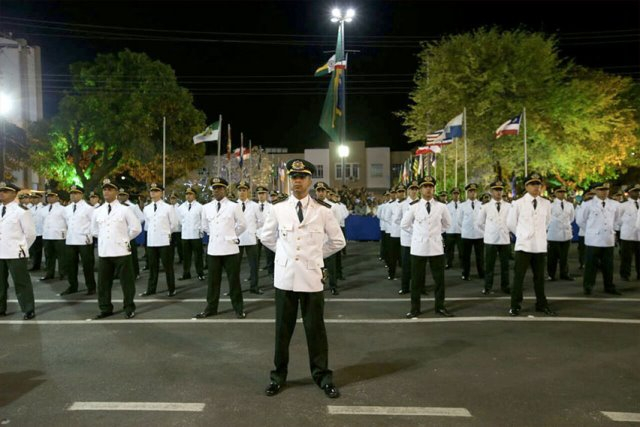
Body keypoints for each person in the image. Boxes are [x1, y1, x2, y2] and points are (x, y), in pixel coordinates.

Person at [260, 159, 345, 399]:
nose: (297, 181)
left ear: (310, 181)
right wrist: (285, 255)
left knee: (315, 331)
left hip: (311, 277)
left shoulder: (323, 210)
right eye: (294, 177)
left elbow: (338, 241)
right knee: (282, 331)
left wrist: (316, 255)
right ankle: (278, 377)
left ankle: (323, 377)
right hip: (285, 278)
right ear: (289, 180)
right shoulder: (277, 208)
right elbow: (266, 237)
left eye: (302, 177)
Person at [194, 177, 247, 319]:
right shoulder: (206, 207)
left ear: (225, 189)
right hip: (214, 249)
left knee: (234, 281)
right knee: (212, 281)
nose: (216, 191)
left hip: (230, 248)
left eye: (220, 188)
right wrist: (216, 235)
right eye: (214, 188)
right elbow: (205, 226)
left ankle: (238, 308)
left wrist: (230, 235)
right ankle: (211, 308)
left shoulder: (234, 206)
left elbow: (242, 225)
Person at [401, 176, 453, 318]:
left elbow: (447, 224)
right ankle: (415, 308)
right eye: (425, 186)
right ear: (420, 189)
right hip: (419, 247)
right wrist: (418, 233)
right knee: (416, 280)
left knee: (439, 280)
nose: (428, 189)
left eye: (430, 186)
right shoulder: (414, 206)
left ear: (433, 188)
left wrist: (436, 233)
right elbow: (404, 224)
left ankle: (440, 307)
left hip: (436, 247)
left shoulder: (441, 206)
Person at [90, 179, 142, 319]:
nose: (106, 191)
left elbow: (136, 228)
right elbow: (94, 230)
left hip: (121, 251)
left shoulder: (125, 210)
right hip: (105, 251)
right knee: (103, 284)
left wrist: (125, 239)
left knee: (127, 282)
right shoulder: (98, 211)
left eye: (110, 189)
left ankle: (129, 307)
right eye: (105, 189)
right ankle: (105, 308)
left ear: (116, 192)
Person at [506, 173, 556, 316]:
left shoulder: (546, 203)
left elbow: (547, 221)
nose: (536, 187)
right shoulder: (518, 203)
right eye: (533, 184)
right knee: (519, 277)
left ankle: (541, 304)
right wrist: (522, 234)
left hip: (539, 245)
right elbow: (511, 223)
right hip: (524, 245)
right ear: (526, 186)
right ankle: (515, 305)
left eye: (538, 184)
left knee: (539, 278)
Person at [0, 181, 37, 319]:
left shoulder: (21, 211)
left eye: (5, 191)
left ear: (14, 194)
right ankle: (1, 308)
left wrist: (22, 248)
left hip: (16, 252)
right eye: (1, 191)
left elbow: (30, 234)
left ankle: (28, 309)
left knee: (21, 282)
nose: (1, 193)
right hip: (0, 251)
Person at [580, 183, 621, 295]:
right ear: (595, 191)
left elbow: (617, 220)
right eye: (601, 190)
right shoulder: (588, 204)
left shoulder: (615, 204)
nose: (604, 192)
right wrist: (591, 231)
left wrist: (613, 230)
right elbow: (581, 220)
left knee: (608, 265)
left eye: (606, 189)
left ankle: (609, 286)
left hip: (608, 238)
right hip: (593, 239)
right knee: (591, 265)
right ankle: (588, 286)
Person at [140, 183, 178, 297]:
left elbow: (174, 224)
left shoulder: (168, 207)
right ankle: (151, 289)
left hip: (165, 241)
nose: (153, 193)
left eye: (156, 191)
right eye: (152, 191)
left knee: (168, 266)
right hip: (152, 241)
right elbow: (147, 225)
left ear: (161, 193)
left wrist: (166, 233)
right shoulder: (147, 208)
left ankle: (171, 289)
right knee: (152, 267)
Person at [60, 185, 97, 296]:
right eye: (71, 193)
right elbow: (66, 224)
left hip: (84, 240)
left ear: (81, 194)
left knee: (87, 265)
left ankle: (91, 286)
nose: (73, 195)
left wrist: (89, 236)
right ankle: (73, 286)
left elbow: (94, 224)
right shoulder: (66, 209)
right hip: (71, 239)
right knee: (71, 265)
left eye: (76, 193)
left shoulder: (89, 208)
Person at [476, 180, 511, 295]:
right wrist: (487, 233)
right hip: (491, 239)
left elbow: (512, 222)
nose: (498, 192)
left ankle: (505, 286)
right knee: (489, 266)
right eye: (496, 190)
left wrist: (508, 231)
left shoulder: (509, 206)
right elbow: (479, 223)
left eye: (500, 190)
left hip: (504, 239)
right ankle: (487, 287)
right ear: (491, 191)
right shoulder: (485, 206)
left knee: (505, 266)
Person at [236, 180, 263, 294]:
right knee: (235, 267)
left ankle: (254, 287)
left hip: (251, 238)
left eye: (244, 190)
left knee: (254, 265)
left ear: (248, 191)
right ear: (237, 192)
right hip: (237, 238)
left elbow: (261, 221)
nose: (242, 192)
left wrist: (253, 230)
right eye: (240, 190)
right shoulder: (232, 205)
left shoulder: (254, 206)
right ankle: (235, 289)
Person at [314, 182, 340, 295]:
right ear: (315, 192)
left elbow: (337, 223)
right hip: (315, 241)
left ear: (326, 192)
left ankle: (333, 286)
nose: (320, 193)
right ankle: (316, 286)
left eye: (322, 190)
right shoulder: (311, 206)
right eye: (318, 190)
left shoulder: (332, 206)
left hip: (328, 240)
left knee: (331, 266)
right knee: (316, 266)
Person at [547, 186, 575, 281]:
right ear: (555, 193)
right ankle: (551, 274)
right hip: (554, 234)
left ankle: (564, 273)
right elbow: (546, 219)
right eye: (559, 192)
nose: (562, 194)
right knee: (552, 257)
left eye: (563, 192)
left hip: (566, 234)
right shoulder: (550, 205)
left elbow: (571, 218)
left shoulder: (569, 205)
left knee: (564, 257)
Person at [177, 186, 205, 281]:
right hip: (185, 235)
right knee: (186, 256)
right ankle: (186, 273)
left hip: (196, 235)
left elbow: (203, 220)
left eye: (190, 194)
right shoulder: (181, 207)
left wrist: (200, 230)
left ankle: (200, 273)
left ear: (194, 195)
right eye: (187, 194)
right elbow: (180, 220)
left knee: (198, 256)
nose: (188, 196)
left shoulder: (200, 207)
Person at [39, 190, 67, 280]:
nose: (49, 198)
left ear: (57, 198)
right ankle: (49, 273)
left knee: (61, 256)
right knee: (48, 256)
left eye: (52, 196)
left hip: (59, 235)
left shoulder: (63, 209)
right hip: (47, 235)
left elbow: (68, 222)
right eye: (48, 196)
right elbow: (43, 222)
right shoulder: (44, 209)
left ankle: (63, 273)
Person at [458, 183, 484, 281]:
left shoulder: (482, 205)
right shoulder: (462, 206)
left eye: (474, 191)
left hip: (479, 234)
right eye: (470, 191)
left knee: (480, 256)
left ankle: (481, 273)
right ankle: (465, 274)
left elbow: (484, 219)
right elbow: (459, 221)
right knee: (466, 257)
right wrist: (466, 228)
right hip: (467, 234)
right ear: (467, 193)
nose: (472, 193)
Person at [117, 188, 144, 279]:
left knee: (131, 255)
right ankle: (119, 273)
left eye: (123, 195)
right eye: (120, 195)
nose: (121, 197)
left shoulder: (133, 206)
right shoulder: (116, 206)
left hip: (129, 236)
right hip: (118, 235)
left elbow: (141, 217)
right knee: (118, 255)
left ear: (127, 196)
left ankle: (135, 273)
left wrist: (132, 226)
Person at [399, 180, 419, 295]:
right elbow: (398, 220)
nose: (414, 191)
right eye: (412, 189)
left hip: (419, 240)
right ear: (408, 191)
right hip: (407, 238)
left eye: (416, 189)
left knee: (418, 265)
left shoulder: (422, 203)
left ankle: (420, 287)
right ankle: (405, 287)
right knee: (406, 265)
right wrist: (414, 230)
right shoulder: (402, 204)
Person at [617, 184, 640, 281]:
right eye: (635, 191)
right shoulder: (623, 205)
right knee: (626, 257)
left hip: (639, 234)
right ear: (629, 193)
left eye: (638, 191)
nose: (637, 193)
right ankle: (625, 274)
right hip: (627, 234)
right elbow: (618, 219)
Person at [255, 186, 274, 276]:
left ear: (266, 195)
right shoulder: (253, 207)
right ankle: (253, 275)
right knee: (255, 257)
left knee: (269, 255)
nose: (261, 196)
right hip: (256, 234)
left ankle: (271, 273)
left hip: (267, 234)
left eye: (263, 193)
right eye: (259, 194)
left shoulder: (271, 207)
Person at [444, 188, 463, 269]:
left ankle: (462, 263)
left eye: (457, 193)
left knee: (462, 250)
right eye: (454, 193)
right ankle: (449, 263)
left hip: (460, 231)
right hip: (450, 231)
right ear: (451, 195)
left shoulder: (463, 205)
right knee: (449, 249)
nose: (456, 195)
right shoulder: (447, 206)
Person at [28, 192, 44, 271]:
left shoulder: (44, 208)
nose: (33, 200)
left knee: (42, 251)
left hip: (42, 232)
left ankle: (42, 266)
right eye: (32, 198)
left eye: (35, 198)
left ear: (40, 199)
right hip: (34, 232)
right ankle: (36, 265)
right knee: (35, 251)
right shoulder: (31, 208)